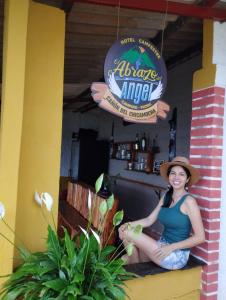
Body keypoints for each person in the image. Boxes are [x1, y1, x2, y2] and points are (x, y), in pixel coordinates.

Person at [118, 156, 205, 270]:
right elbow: (149, 220)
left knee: (128, 235)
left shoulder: (189, 201)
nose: (176, 177)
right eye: (173, 173)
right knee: (126, 252)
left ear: (187, 179)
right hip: (161, 245)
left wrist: (171, 247)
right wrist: (127, 225)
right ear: (169, 176)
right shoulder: (167, 197)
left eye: (181, 174)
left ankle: (135, 268)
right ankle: (134, 264)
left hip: (176, 254)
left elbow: (200, 237)